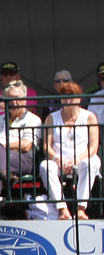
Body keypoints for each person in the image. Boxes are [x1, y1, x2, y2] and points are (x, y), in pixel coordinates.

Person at [38, 81, 100, 220]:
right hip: (59, 160)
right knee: (45, 166)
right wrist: (57, 159)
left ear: (79, 99)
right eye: (64, 97)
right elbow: (46, 146)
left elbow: (93, 146)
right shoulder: (51, 118)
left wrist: (78, 159)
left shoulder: (89, 117)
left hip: (84, 157)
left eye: (72, 97)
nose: (68, 100)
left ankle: (80, 208)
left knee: (88, 164)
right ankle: (62, 209)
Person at [0, 81, 41, 185]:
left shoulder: (33, 119)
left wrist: (1, 147)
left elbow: (26, 146)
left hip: (22, 159)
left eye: (17, 97)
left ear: (25, 100)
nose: (13, 101)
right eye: (9, 98)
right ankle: (4, 177)